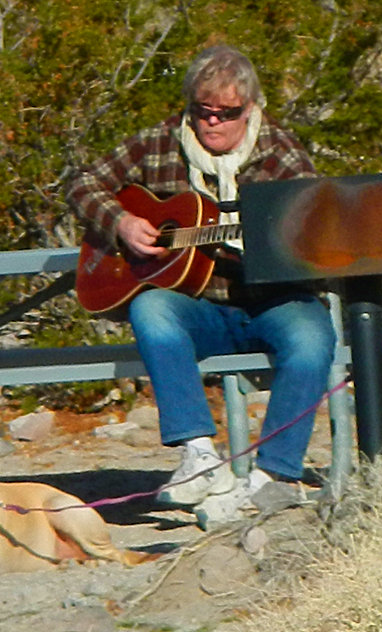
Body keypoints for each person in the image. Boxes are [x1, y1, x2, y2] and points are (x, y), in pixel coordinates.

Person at [66, 44, 335, 508]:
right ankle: (198, 456)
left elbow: (312, 234)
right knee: (150, 307)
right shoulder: (158, 142)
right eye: (201, 111)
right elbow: (80, 183)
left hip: (272, 301)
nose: (212, 122)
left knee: (312, 338)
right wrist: (122, 222)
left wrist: (276, 248)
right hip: (200, 307)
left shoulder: (282, 156)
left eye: (226, 113)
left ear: (251, 108)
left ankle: (274, 475)